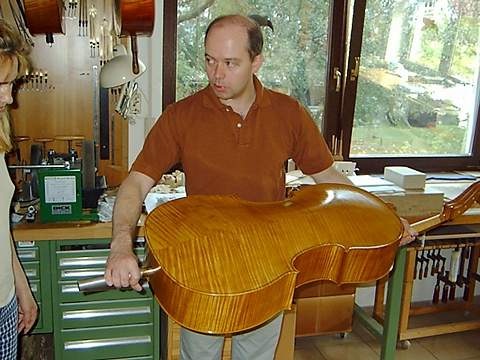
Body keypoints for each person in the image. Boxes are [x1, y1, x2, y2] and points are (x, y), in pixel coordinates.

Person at [105, 14, 416, 360]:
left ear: (256, 62)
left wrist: (384, 218)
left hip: (269, 267)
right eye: (209, 60)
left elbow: (329, 178)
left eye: (230, 63)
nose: (216, 74)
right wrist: (121, 244)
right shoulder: (181, 116)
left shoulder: (289, 113)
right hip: (204, 266)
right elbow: (136, 182)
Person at [0, 20, 38, 359]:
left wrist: (21, 289)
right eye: (1, 85)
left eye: (11, 84)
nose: (10, 98)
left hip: (4, 302)